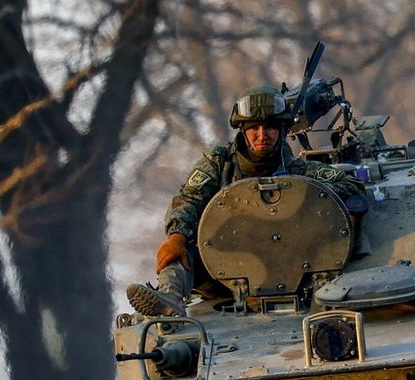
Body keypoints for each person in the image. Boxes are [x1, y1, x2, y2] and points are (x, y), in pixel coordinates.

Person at [127, 85, 365, 316]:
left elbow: (351, 185)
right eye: (254, 128)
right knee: (179, 248)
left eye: (270, 127)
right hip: (223, 273)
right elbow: (188, 199)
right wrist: (176, 235)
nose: (262, 135)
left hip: (294, 271)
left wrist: (308, 194)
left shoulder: (299, 171)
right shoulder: (219, 164)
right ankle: (170, 297)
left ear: (281, 129)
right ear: (242, 130)